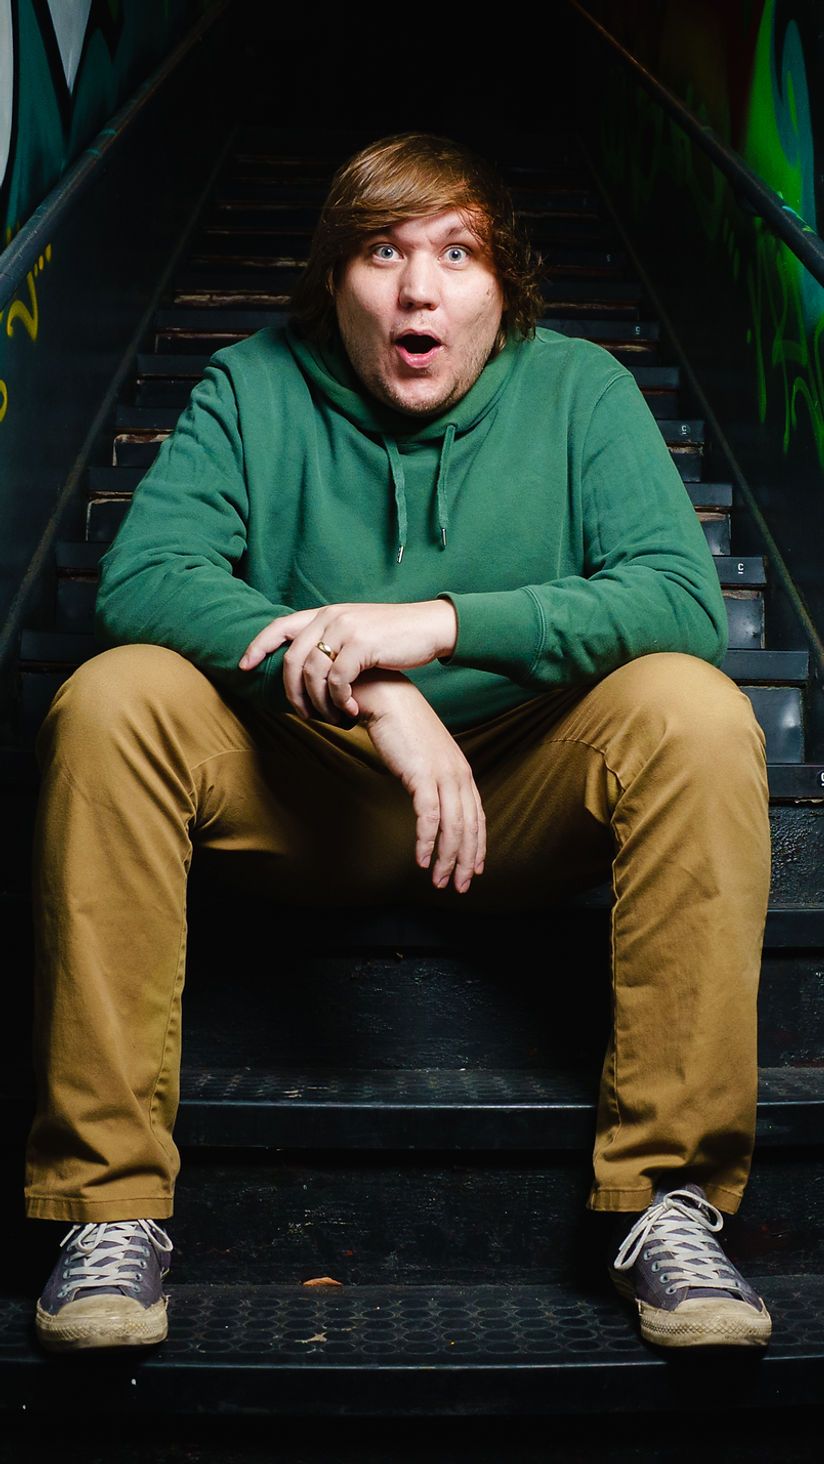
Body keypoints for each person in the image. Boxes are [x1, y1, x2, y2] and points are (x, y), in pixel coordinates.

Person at [27, 133, 772, 1353]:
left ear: (503, 287)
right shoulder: (251, 383)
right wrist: (377, 692)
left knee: (694, 710)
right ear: (332, 283)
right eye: (381, 252)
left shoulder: (579, 388)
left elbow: (679, 600)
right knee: (112, 698)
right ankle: (106, 1205)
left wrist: (436, 626)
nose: (418, 290)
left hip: (521, 794)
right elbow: (145, 577)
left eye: (456, 254)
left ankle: (666, 1200)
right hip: (307, 794)